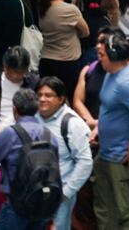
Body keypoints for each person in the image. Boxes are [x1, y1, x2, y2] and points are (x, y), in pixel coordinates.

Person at [93, 30, 129, 230]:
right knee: (106, 210)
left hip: (121, 158)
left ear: (114, 56)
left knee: (125, 212)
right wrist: (98, 129)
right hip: (106, 154)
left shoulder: (127, 80)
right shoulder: (111, 74)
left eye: (102, 55)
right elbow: (110, 108)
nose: (98, 59)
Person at [0, 89, 58, 229]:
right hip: (42, 204)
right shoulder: (49, 135)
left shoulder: (11, 133)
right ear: (36, 108)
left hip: (16, 205)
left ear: (15, 109)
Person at [37, 76, 93, 230]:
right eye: (40, 95)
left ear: (61, 99)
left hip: (59, 195)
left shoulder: (72, 124)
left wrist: (66, 193)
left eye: (48, 95)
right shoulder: (33, 116)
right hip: (34, 194)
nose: (42, 99)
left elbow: (85, 162)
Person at [36, 0, 89, 89]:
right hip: (67, 62)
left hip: (46, 61)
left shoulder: (42, 9)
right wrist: (76, 34)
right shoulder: (70, 9)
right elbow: (85, 31)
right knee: (70, 96)